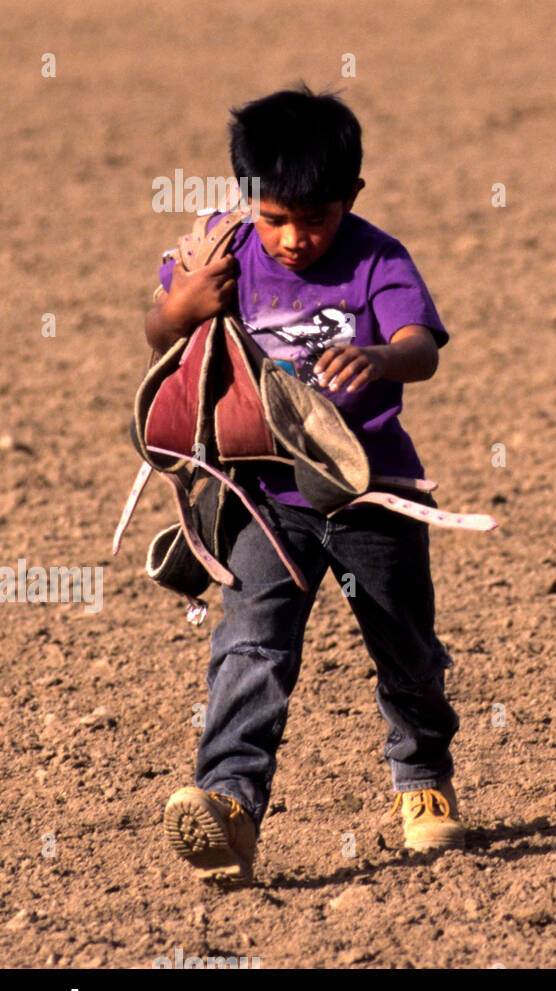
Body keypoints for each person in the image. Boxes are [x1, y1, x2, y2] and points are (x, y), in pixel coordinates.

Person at [147, 85, 464, 884]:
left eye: (314, 220)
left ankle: (423, 779)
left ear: (352, 197)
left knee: (408, 650)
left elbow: (421, 346)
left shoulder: (377, 258)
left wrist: (384, 357)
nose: (292, 240)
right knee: (250, 645)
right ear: (246, 197)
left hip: (371, 493)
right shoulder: (218, 252)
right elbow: (158, 333)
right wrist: (183, 304)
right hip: (264, 500)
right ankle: (230, 806)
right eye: (275, 218)